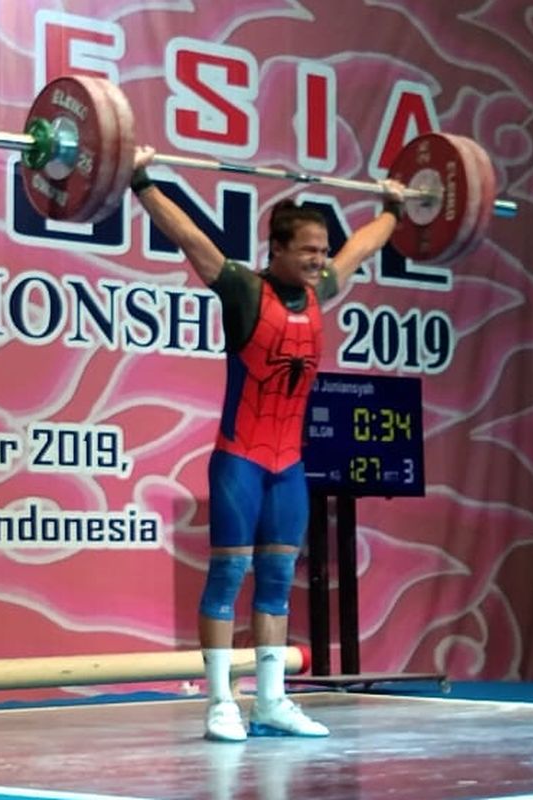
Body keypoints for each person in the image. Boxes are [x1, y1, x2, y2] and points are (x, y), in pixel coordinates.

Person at [130, 145, 406, 741]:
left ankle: (272, 702)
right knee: (229, 577)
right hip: (240, 461)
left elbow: (362, 246)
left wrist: (393, 209)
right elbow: (190, 237)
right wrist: (139, 180)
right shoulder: (242, 290)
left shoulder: (320, 289)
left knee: (279, 583)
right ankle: (221, 702)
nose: (318, 259)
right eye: (306, 250)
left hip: (290, 468)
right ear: (275, 250)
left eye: (320, 250)